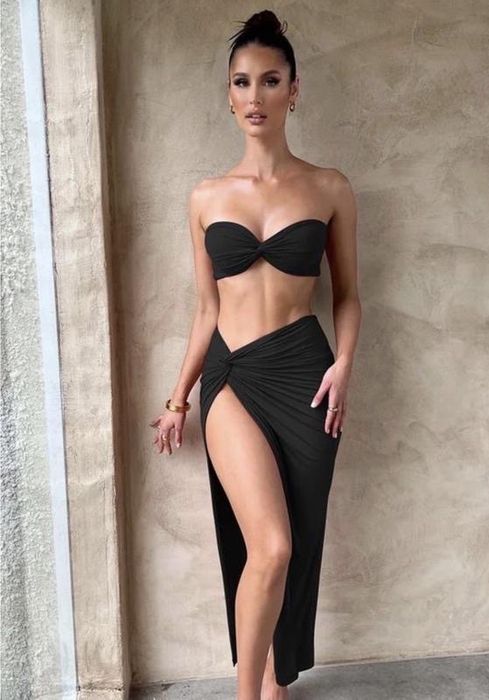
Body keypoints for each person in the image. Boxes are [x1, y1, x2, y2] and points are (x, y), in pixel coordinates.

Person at [149, 10, 361, 700]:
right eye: (241, 82)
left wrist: (344, 365)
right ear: (228, 94)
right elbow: (206, 310)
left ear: (293, 90)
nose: (254, 95)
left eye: (270, 80)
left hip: (306, 375)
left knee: (295, 546)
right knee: (269, 546)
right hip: (234, 375)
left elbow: (349, 296)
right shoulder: (205, 197)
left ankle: (273, 682)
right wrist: (179, 399)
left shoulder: (329, 187)